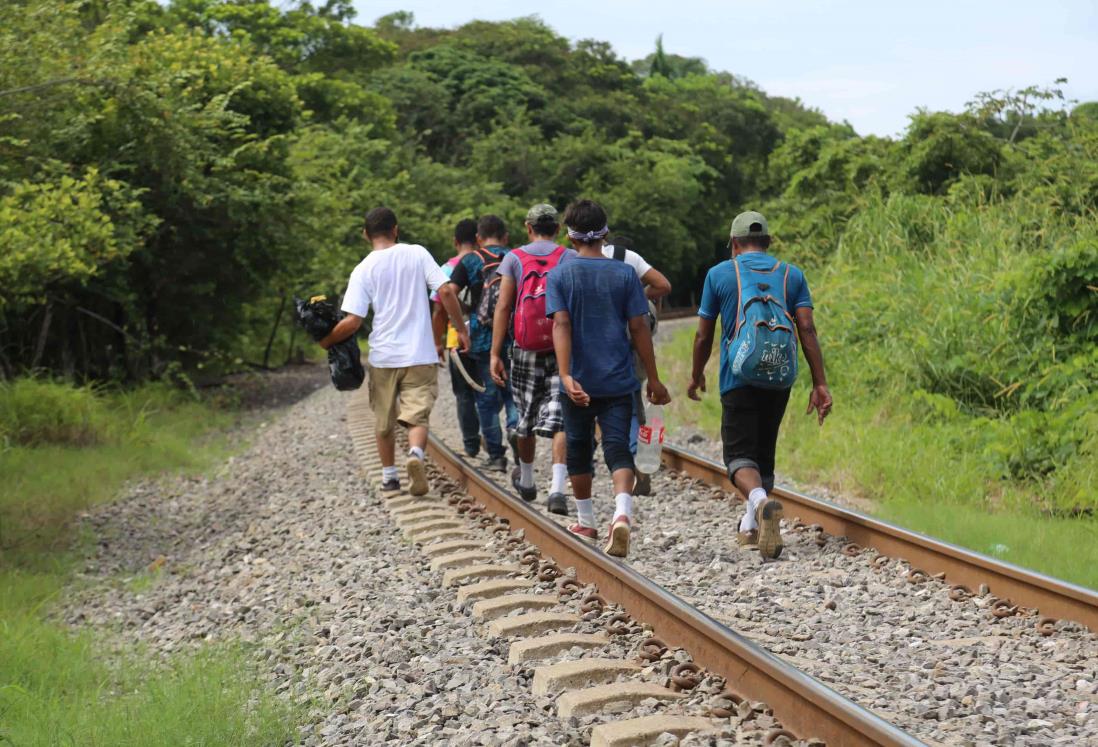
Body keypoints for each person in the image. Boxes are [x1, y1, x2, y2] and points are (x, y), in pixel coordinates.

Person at [688, 210, 832, 559]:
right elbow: (807, 329)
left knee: (739, 457)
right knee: (763, 454)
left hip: (737, 376)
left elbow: (703, 334)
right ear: (768, 242)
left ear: (734, 244)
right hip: (779, 374)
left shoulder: (720, 273)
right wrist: (820, 383)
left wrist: (697, 374)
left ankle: (760, 502)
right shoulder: (791, 275)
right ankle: (751, 527)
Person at [546, 199, 671, 558]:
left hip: (580, 381)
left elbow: (561, 324)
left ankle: (586, 520)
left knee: (579, 448)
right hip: (618, 377)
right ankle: (622, 515)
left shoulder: (560, 274)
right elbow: (639, 328)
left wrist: (567, 375)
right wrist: (655, 380)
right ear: (605, 233)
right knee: (617, 446)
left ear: (570, 235)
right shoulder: (625, 275)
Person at [321, 207, 469, 496]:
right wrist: (460, 329)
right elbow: (447, 291)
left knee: (384, 419)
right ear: (396, 229)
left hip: (384, 356)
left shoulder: (363, 268)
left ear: (366, 235)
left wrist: (326, 341)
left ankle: (390, 476)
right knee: (417, 415)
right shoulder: (417, 253)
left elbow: (352, 320)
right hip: (420, 353)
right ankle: (415, 454)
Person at [490, 204, 576, 515]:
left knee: (525, 416)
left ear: (529, 227)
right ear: (556, 228)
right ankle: (556, 489)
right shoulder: (569, 257)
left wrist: (495, 353)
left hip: (525, 349)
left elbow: (503, 307)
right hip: (562, 345)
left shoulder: (514, 258)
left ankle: (526, 479)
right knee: (561, 417)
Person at [603, 234, 672, 497]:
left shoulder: (593, 261)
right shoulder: (634, 268)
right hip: (636, 353)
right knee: (632, 408)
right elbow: (663, 286)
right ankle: (635, 454)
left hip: (603, 352)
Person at [447, 214, 517, 472]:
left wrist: (465, 314)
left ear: (478, 238)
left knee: (486, 398)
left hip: (482, 336)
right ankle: (515, 428)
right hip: (514, 336)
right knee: (513, 393)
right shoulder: (517, 257)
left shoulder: (470, 260)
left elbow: (449, 292)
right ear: (506, 236)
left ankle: (496, 456)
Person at [431, 219, 481, 459]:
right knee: (489, 390)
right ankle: (495, 441)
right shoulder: (488, 262)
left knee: (464, 394)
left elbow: (439, 311)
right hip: (486, 338)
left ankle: (471, 444)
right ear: (479, 238)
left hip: (456, 340)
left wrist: (437, 342)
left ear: (455, 241)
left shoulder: (446, 269)